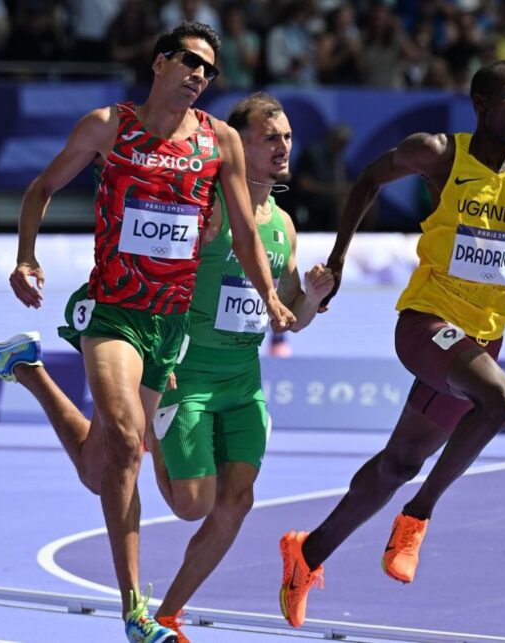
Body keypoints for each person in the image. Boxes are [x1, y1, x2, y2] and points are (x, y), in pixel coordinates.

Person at [0, 22, 294, 643]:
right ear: (160, 62)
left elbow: (246, 233)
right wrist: (25, 257)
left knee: (103, 467)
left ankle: (28, 370)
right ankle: (135, 610)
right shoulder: (108, 126)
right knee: (125, 437)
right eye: (191, 62)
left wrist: (272, 296)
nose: (200, 76)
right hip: (113, 310)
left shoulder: (218, 140)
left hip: (170, 326)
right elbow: (40, 188)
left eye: (210, 71)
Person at [277, 59, 505, 629]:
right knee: (501, 402)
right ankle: (417, 519)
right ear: (479, 104)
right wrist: (337, 258)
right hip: (427, 325)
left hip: (479, 341)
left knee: (400, 461)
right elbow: (368, 180)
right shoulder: (440, 153)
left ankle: (305, 555)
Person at [144, 92, 332, 641]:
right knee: (191, 506)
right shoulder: (206, 204)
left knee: (237, 502)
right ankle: (147, 428)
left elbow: (289, 320)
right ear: (236, 144)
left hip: (244, 379)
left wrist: (314, 297)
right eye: (269, 137)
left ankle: (168, 615)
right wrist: (155, 360)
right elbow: (154, 274)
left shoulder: (284, 224)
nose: (282, 147)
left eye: (288, 138)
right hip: (189, 372)